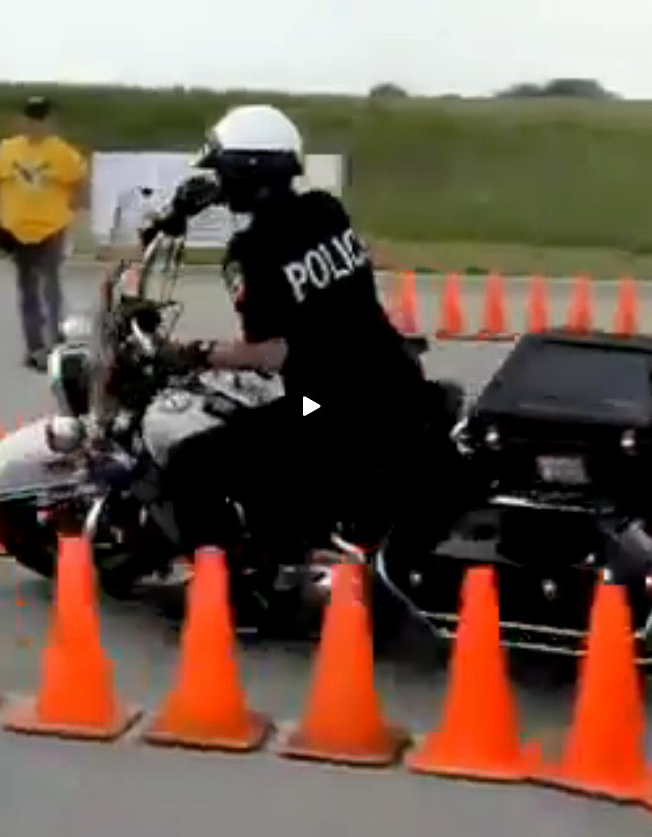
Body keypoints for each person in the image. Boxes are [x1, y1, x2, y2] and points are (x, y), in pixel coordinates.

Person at [137, 103, 438, 628]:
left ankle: (226, 595)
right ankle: (278, 534)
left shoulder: (252, 250)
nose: (217, 181)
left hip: (326, 401)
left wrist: (193, 353)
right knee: (264, 423)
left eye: (222, 171)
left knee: (195, 460)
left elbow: (272, 352)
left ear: (241, 174)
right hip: (392, 378)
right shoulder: (326, 210)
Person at [0, 95, 89, 371]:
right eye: (31, 117)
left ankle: (55, 341)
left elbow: (79, 180)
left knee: (50, 285)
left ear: (50, 121)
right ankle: (35, 347)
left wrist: (74, 210)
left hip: (51, 228)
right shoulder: (8, 150)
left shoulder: (62, 153)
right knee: (28, 288)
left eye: (41, 118)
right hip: (17, 230)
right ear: (22, 120)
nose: (35, 124)